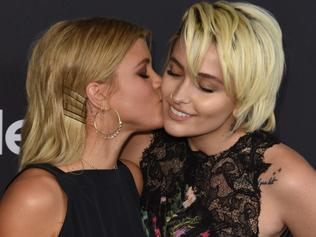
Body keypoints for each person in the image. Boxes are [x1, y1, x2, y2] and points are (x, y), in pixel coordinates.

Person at [122, 1, 316, 236]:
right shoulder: (142, 145)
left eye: (206, 87)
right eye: (174, 71)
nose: (178, 96)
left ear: (245, 97)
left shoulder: (286, 178)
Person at [0, 17, 162, 237]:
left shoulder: (130, 178)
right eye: (143, 73)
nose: (160, 81)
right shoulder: (37, 196)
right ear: (98, 94)